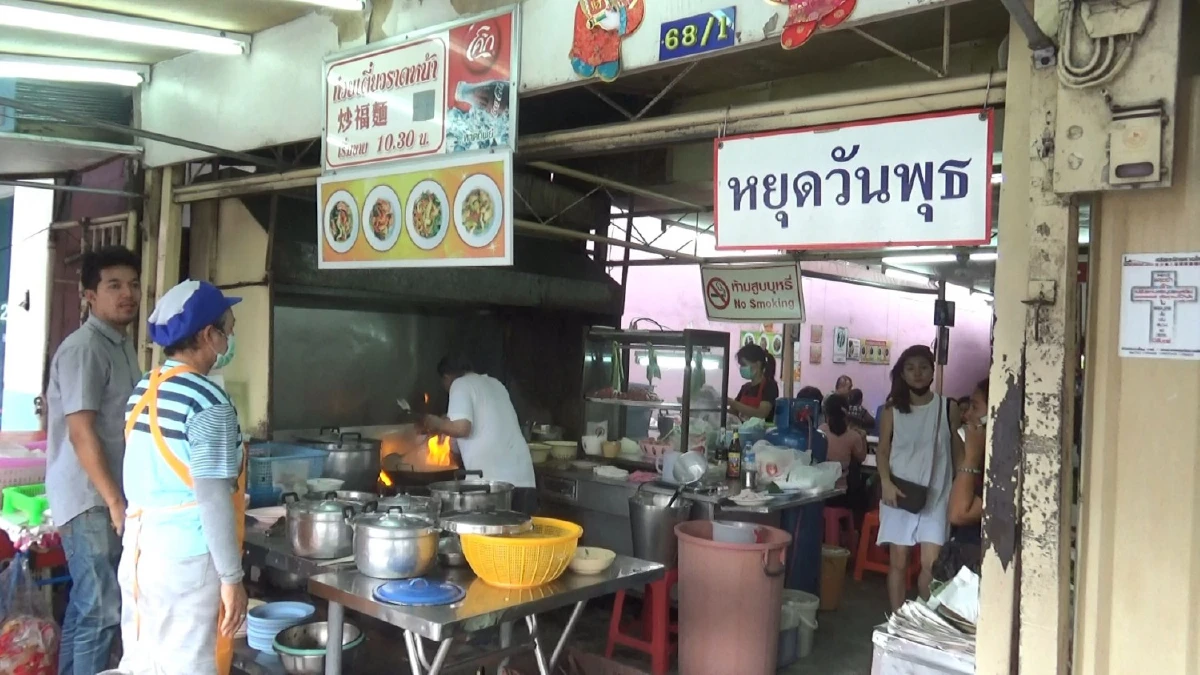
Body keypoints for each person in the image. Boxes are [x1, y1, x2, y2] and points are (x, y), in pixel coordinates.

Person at [117, 280, 247, 675]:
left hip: (140, 552)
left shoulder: (145, 388)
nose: (231, 339)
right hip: (186, 562)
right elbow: (212, 497)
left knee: (144, 663)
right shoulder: (207, 401)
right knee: (189, 665)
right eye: (228, 330)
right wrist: (232, 578)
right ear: (208, 335)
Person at [46, 246, 140, 675]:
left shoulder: (119, 344)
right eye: (114, 285)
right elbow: (81, 432)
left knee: (88, 608)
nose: (127, 294)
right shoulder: (85, 348)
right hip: (90, 499)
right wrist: (115, 501)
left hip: (104, 495)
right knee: (101, 610)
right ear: (89, 295)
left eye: (133, 284)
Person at [876, 345, 964, 611]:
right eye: (911, 368)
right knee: (898, 562)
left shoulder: (948, 407)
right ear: (902, 373)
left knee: (931, 564)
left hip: (938, 495)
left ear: (932, 371)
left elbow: (958, 454)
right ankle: (898, 619)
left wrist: (960, 490)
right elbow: (883, 450)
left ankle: (923, 621)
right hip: (898, 493)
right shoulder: (892, 409)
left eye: (923, 367)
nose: (917, 373)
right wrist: (885, 483)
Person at [425, 355, 538, 514]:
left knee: (484, 531)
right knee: (522, 530)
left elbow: (462, 428)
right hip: (524, 480)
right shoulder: (495, 384)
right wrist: (447, 427)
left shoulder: (460, 384)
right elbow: (462, 437)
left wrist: (436, 423)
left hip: (493, 488)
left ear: (446, 377)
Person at [935, 379, 988, 580]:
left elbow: (958, 514)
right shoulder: (983, 456)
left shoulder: (1005, 467)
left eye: (975, 407)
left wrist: (971, 457)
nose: (967, 415)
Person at [820, 394, 867, 486]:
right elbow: (861, 457)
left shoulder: (821, 430)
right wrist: (863, 437)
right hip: (842, 486)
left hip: (822, 482)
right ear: (846, 413)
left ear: (826, 413)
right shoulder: (854, 436)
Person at [727, 343, 780, 422]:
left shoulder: (769, 386)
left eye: (744, 364)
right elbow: (733, 412)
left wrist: (733, 403)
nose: (741, 368)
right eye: (740, 365)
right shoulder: (745, 388)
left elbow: (761, 413)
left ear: (757, 364)